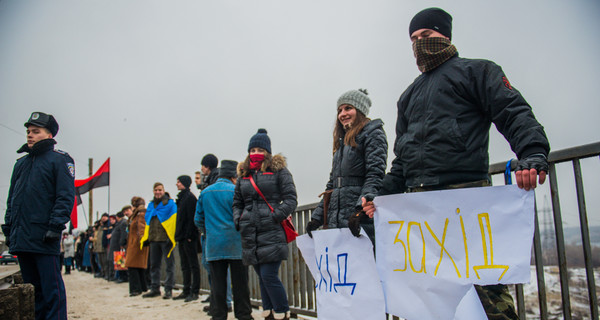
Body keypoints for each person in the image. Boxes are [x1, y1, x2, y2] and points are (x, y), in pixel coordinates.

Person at [362, 8, 550, 320]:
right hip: (420, 209)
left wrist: (531, 153)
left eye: (426, 36)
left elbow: (513, 112)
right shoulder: (408, 96)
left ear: (445, 35)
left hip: (465, 201)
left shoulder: (478, 72)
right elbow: (402, 161)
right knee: (430, 296)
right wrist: (378, 194)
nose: (419, 44)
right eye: (413, 39)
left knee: (487, 295)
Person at [2, 111, 75, 319]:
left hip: (44, 235)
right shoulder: (21, 164)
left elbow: (65, 197)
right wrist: (8, 228)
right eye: (28, 131)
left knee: (52, 291)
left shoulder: (60, 160)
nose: (29, 135)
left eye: (36, 131)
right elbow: (12, 200)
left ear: (49, 135)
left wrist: (55, 226)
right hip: (22, 237)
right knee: (34, 293)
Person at [306, 89, 388, 243]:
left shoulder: (373, 134)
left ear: (360, 110)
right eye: (340, 110)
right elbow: (332, 184)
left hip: (357, 218)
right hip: (336, 219)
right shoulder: (342, 144)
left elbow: (375, 175)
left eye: (348, 108)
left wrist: (360, 210)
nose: (342, 114)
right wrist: (317, 218)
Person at [233, 129, 298, 320]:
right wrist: (239, 219)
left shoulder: (279, 170)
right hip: (249, 232)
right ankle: (269, 313)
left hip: (271, 230)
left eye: (259, 149)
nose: (255, 153)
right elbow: (237, 202)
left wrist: (274, 217)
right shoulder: (244, 173)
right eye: (252, 149)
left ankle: (282, 312)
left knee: (269, 275)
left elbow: (291, 199)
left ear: (267, 152)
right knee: (262, 276)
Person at [195, 160, 252, 320]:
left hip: (214, 245)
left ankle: (219, 315)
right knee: (241, 284)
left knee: (218, 285)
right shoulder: (236, 191)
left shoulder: (205, 192)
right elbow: (245, 216)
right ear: (234, 176)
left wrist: (209, 231)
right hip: (236, 245)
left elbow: (198, 219)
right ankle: (243, 315)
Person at [141, 183, 177, 299]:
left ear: (164, 191)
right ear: (153, 191)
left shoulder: (170, 204)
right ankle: (155, 288)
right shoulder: (151, 205)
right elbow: (147, 222)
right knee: (154, 265)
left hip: (166, 239)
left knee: (169, 265)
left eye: (160, 190)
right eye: (156, 190)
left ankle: (168, 289)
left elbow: (173, 220)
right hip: (154, 239)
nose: (158, 192)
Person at [173, 175, 201, 302]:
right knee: (184, 265)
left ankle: (194, 291)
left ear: (184, 183)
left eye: (178, 182)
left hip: (188, 237)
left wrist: (190, 236)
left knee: (193, 265)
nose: (177, 184)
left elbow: (192, 219)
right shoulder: (182, 198)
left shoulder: (190, 198)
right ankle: (186, 290)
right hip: (181, 237)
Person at [125, 197, 150, 296]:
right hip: (135, 243)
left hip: (136, 244)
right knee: (138, 267)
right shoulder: (137, 214)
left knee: (132, 266)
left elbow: (142, 227)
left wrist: (142, 240)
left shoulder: (140, 214)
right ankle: (143, 287)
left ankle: (135, 289)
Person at [108, 209, 129, 282]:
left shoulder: (123, 223)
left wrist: (122, 243)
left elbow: (123, 234)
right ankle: (120, 276)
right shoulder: (119, 223)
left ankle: (123, 277)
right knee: (118, 262)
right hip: (116, 245)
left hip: (119, 245)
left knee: (121, 262)